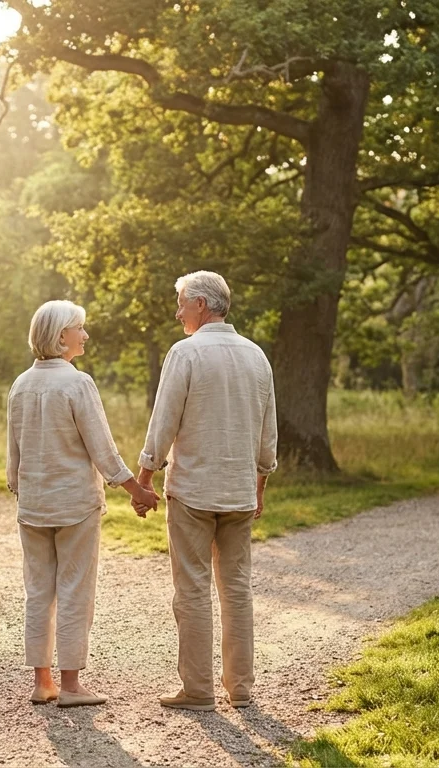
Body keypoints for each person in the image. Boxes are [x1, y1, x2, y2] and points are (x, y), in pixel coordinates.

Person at [6, 300, 161, 708]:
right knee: (74, 591)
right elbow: (103, 451)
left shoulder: (21, 384)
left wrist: (19, 488)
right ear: (62, 336)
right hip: (74, 506)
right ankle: (71, 687)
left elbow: (13, 455)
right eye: (80, 328)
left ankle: (43, 683)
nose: (85, 335)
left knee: (38, 591)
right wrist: (137, 491)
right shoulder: (77, 383)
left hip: (33, 506)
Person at [135, 271, 278, 711]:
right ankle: (241, 688)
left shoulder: (186, 353)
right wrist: (260, 482)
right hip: (238, 492)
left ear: (201, 304)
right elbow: (267, 430)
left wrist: (145, 476)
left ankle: (197, 691)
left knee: (193, 589)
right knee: (237, 589)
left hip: (193, 491)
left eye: (181, 302)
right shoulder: (256, 356)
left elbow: (164, 421)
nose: (177, 311)